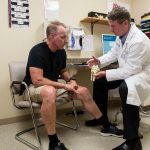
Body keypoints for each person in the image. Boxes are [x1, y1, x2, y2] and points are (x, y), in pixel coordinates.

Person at [22, 21, 122, 150]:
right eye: (63, 37)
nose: (66, 40)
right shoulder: (37, 51)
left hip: (52, 87)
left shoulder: (61, 52)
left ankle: (106, 126)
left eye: (66, 36)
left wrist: (71, 80)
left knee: (84, 91)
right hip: (32, 89)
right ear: (51, 37)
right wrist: (63, 86)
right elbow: (37, 81)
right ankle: (53, 143)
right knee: (50, 91)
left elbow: (63, 71)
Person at [87, 6, 150, 150]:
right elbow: (113, 54)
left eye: (113, 26)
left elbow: (132, 69)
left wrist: (107, 73)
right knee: (99, 80)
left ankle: (133, 141)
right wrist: (99, 61)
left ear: (125, 23)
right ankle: (102, 119)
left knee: (126, 88)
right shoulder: (121, 36)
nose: (110, 29)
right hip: (127, 71)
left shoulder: (138, 40)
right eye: (110, 25)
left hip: (141, 75)